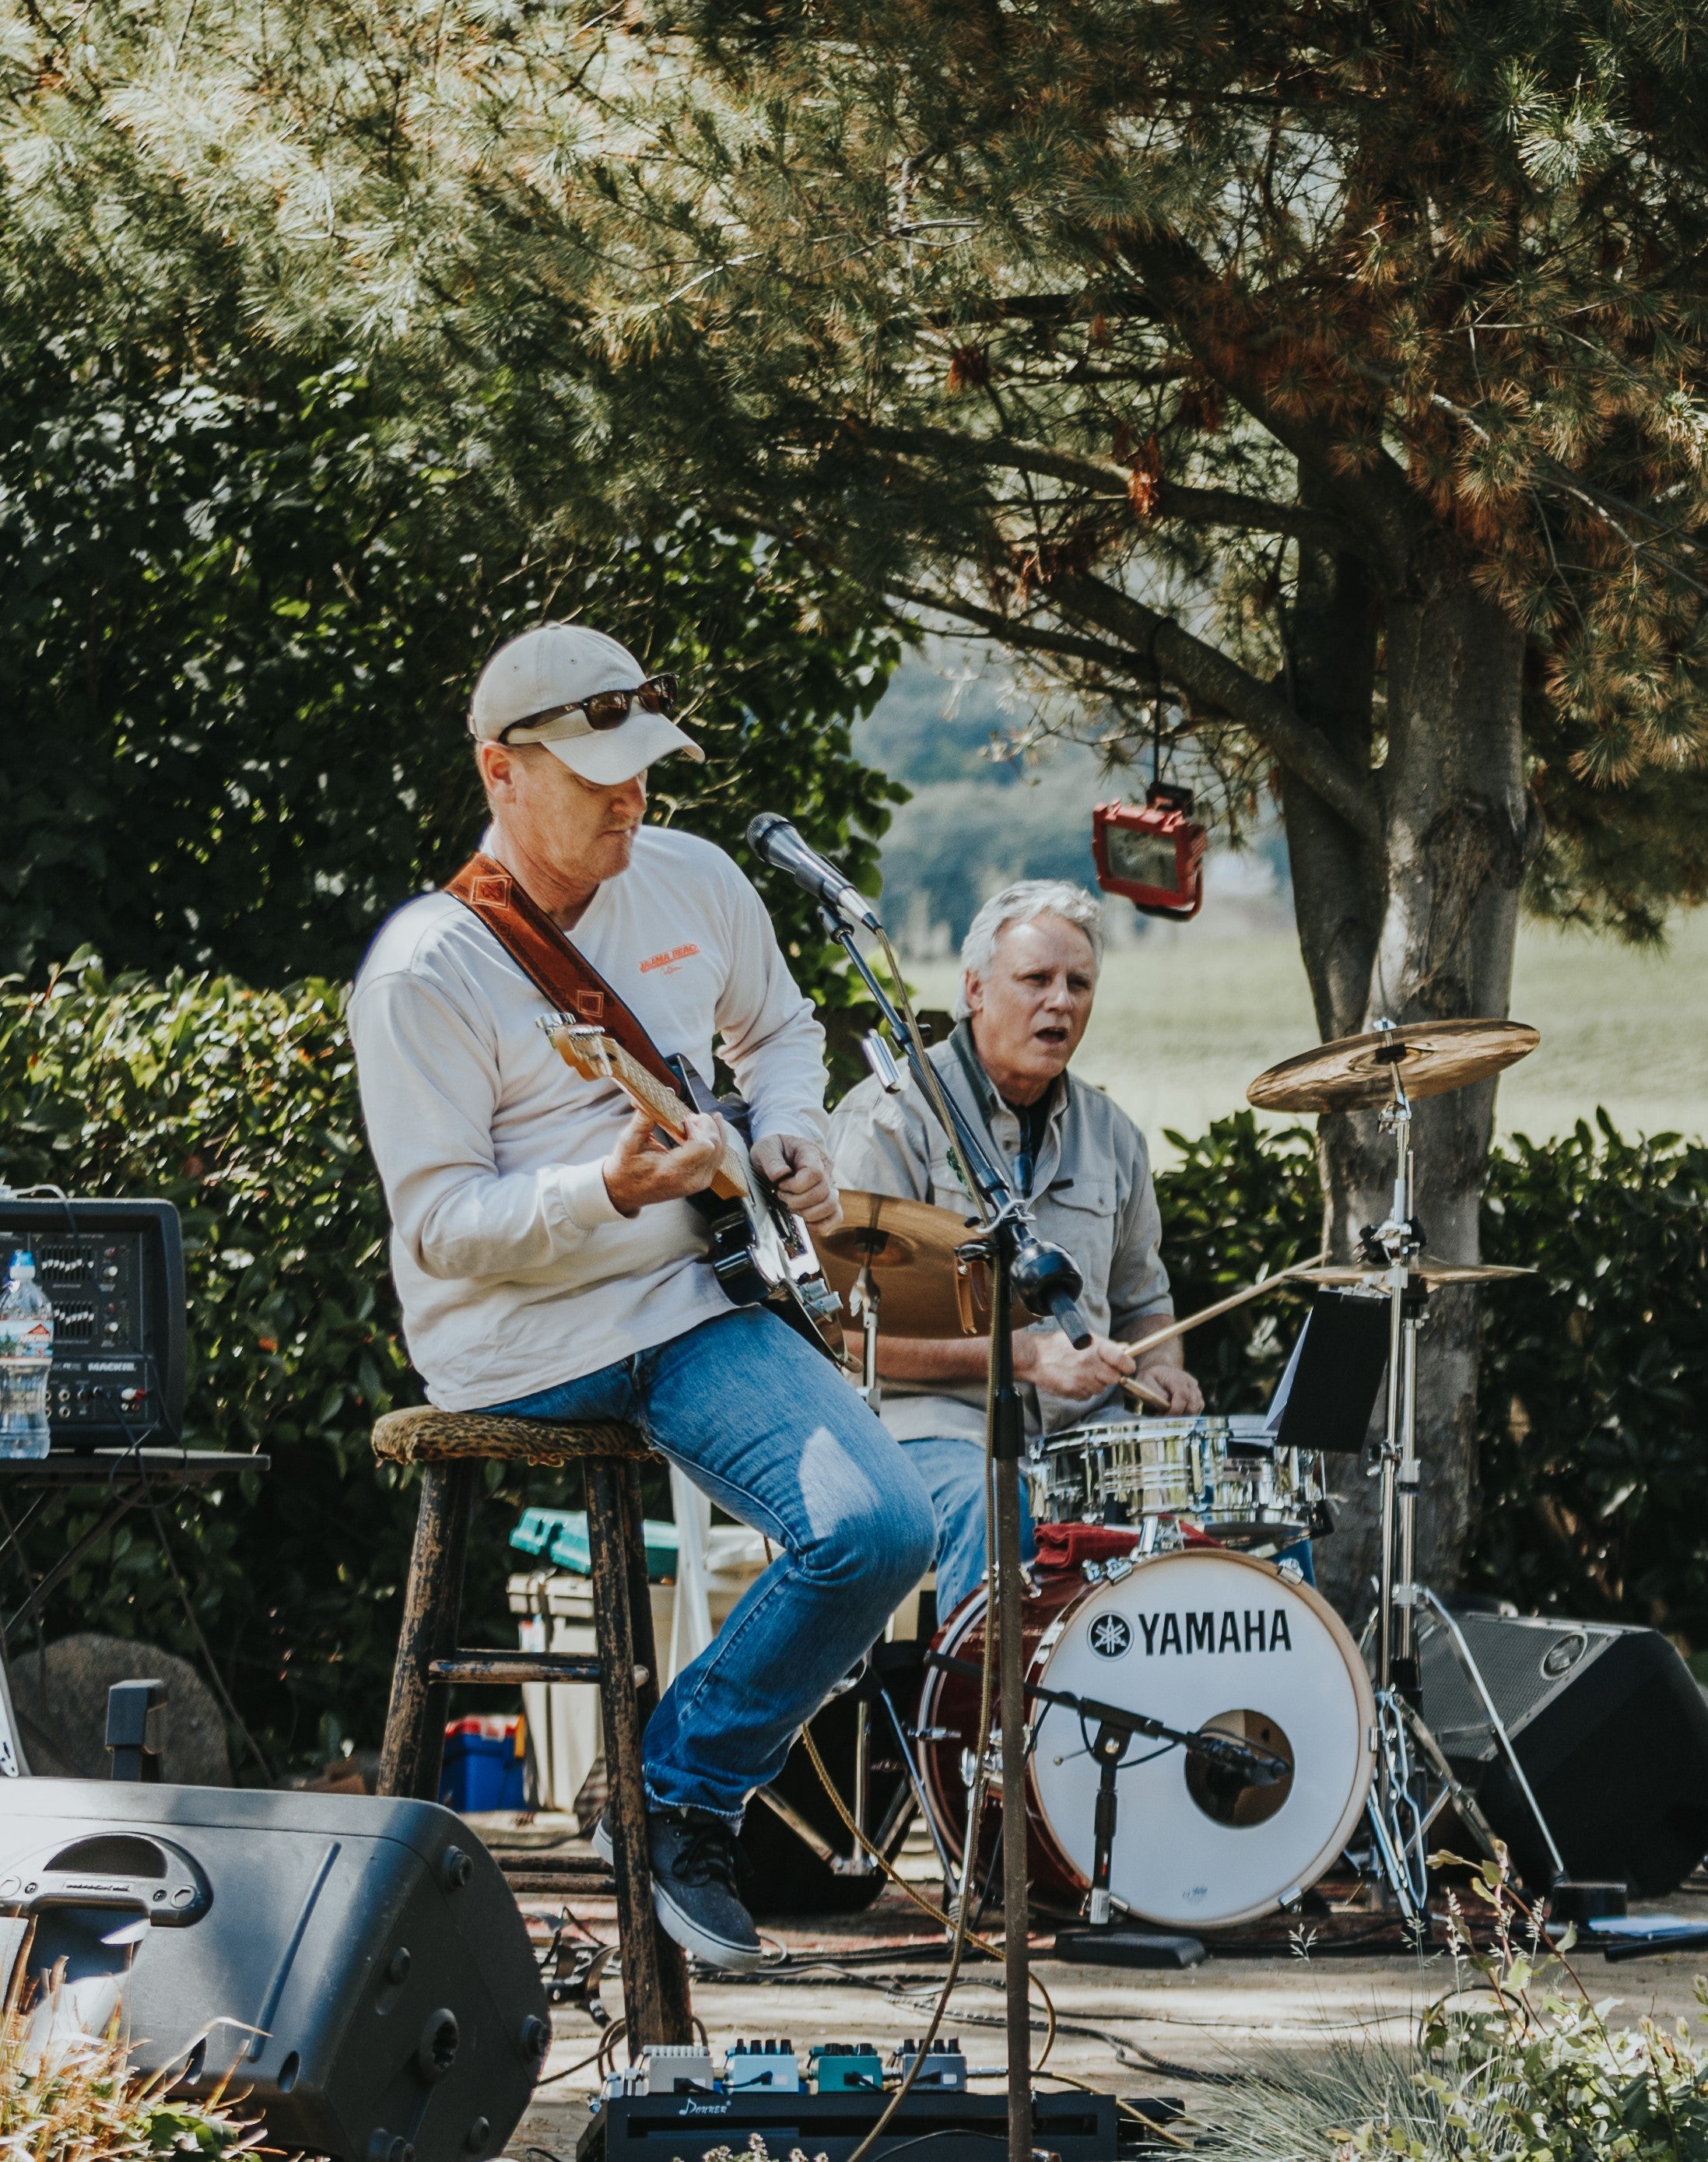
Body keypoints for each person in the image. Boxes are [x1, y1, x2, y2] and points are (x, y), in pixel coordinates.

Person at [349, 624, 936, 1973]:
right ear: (503, 773)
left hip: (694, 1294)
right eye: (599, 774)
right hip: (522, 1343)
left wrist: (792, 1132)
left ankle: (675, 1792)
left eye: (645, 769)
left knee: (881, 1529)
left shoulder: (691, 877)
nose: (635, 798)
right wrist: (603, 1191)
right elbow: (437, 1230)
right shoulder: (426, 969)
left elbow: (780, 1032)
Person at [829, 879, 1198, 1618]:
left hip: (1085, 1433)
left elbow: (1144, 1302)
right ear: (975, 989)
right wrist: (1023, 1357)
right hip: (931, 1426)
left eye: (1079, 983)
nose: (1060, 1001)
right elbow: (841, 1339)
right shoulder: (890, 1121)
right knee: (994, 1503)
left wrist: (1162, 1367)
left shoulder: (1114, 1135)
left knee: (1209, 1508)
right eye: (1036, 980)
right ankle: (990, 1729)